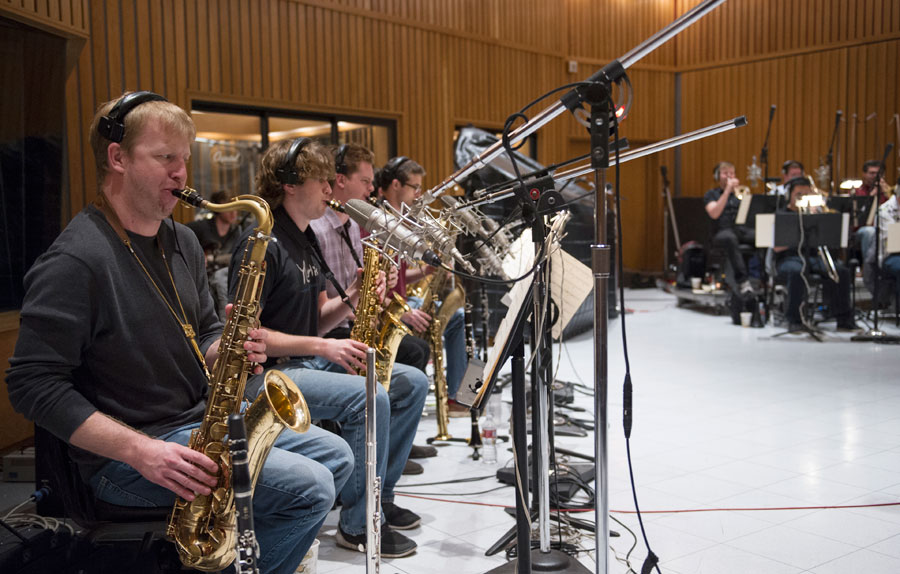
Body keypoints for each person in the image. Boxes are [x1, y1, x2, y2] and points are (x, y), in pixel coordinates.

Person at [5, 92, 352, 574]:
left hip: (195, 423)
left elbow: (206, 327)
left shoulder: (182, 239)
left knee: (336, 454)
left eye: (184, 160)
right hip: (130, 454)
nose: (181, 174)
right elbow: (30, 384)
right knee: (310, 488)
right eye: (165, 157)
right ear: (117, 157)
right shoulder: (75, 261)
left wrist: (225, 347)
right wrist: (141, 451)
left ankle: (225, 556)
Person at [228, 138, 428, 558]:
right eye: (321, 180)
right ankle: (356, 527)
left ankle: (380, 499)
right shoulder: (261, 243)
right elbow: (250, 335)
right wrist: (324, 347)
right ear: (289, 185)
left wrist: (354, 295)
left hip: (307, 362)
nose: (327, 190)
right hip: (270, 375)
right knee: (369, 395)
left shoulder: (306, 239)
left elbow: (319, 316)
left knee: (409, 382)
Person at [310, 144, 437, 465]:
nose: (371, 188)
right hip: (330, 334)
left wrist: (380, 281)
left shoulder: (354, 225)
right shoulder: (316, 230)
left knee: (415, 359)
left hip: (351, 323)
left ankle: (391, 449)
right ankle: (380, 454)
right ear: (340, 181)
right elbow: (325, 307)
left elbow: (361, 284)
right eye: (365, 181)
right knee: (413, 355)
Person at [376, 156, 470, 417]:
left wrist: (426, 271)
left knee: (459, 316)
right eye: (415, 187)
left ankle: (457, 397)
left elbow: (402, 277)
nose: (419, 195)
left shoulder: (401, 222)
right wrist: (402, 312)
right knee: (447, 324)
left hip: (404, 302)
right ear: (396, 185)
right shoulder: (377, 225)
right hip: (390, 310)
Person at [774, 177, 857, 333]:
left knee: (841, 272)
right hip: (790, 257)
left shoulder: (817, 214)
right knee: (796, 272)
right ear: (789, 195)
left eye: (806, 195)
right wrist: (799, 234)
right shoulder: (782, 214)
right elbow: (777, 248)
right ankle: (795, 320)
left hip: (814, 257)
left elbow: (831, 241)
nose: (802, 199)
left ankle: (844, 320)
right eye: (798, 194)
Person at [187, 189, 243, 319]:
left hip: (227, 274)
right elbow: (181, 239)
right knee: (220, 278)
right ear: (218, 207)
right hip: (206, 275)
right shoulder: (201, 227)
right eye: (229, 208)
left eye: (236, 208)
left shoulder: (237, 230)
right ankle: (226, 322)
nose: (234, 212)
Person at [704, 161, 756, 294]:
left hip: (740, 230)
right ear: (717, 176)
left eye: (732, 173)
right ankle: (743, 281)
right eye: (725, 173)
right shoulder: (711, 194)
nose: (729, 176)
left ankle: (767, 278)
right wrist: (727, 191)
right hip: (721, 232)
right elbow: (714, 213)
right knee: (730, 238)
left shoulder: (740, 194)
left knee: (764, 236)